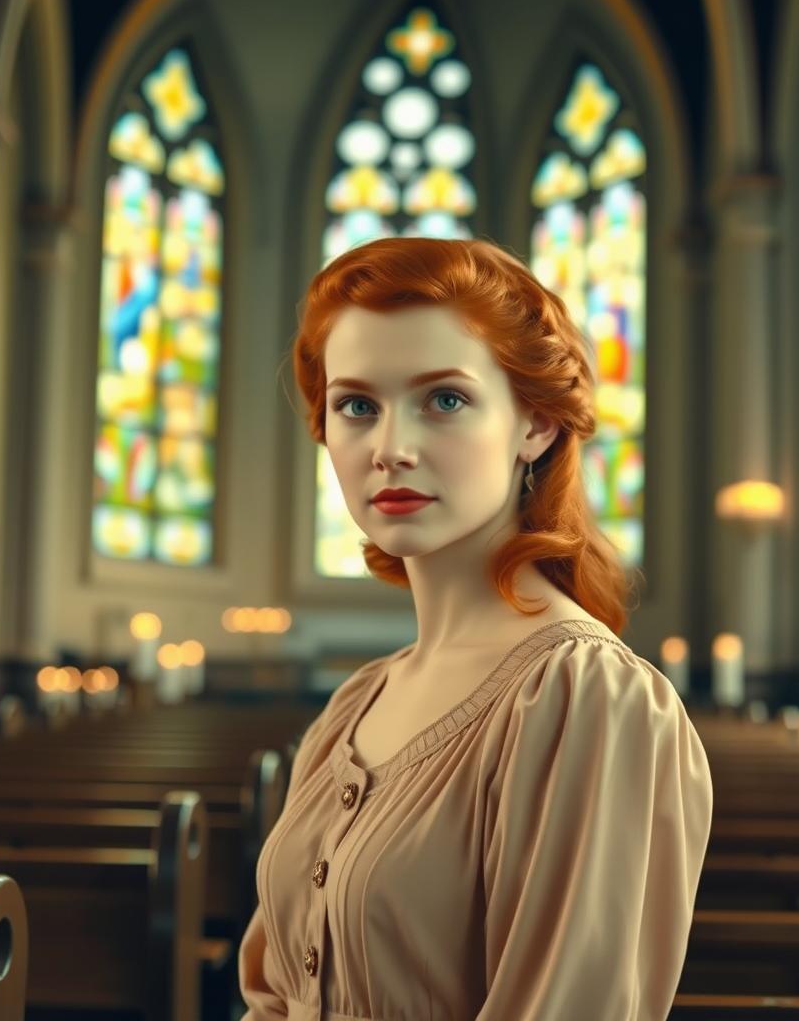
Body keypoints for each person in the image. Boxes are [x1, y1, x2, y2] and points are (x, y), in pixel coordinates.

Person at [238, 236, 713, 1020]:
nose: (391, 449)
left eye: (445, 399)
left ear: (536, 425)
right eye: (358, 406)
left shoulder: (587, 698)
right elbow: (275, 998)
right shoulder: (355, 704)